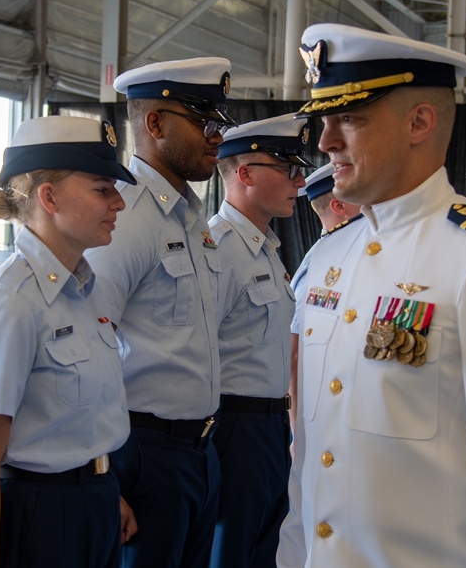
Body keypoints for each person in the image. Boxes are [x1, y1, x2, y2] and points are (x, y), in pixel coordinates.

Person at [277, 23, 466, 567]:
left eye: (349, 118)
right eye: (325, 120)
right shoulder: (327, 260)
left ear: (420, 122)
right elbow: (314, 465)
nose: (325, 142)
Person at [0, 115, 137, 568]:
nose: (118, 203)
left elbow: (76, 417)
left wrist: (99, 489)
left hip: (91, 503)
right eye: (102, 188)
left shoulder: (84, 287)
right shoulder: (11, 301)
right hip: (36, 515)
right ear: (49, 197)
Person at [83, 57, 237, 568]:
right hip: (142, 453)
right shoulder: (125, 217)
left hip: (197, 449)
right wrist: (101, 474)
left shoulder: (190, 215)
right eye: (204, 122)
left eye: (219, 122)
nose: (217, 135)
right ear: (155, 124)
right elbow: (85, 350)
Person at [206, 113, 313, 568]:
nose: (300, 180)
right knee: (230, 551)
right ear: (245, 174)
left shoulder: (267, 248)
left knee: (266, 552)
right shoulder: (217, 249)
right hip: (232, 425)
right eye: (288, 169)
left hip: (268, 425)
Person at [288, 163, 361, 432]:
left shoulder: (353, 252)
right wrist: (297, 433)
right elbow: (295, 353)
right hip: (327, 419)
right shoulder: (321, 263)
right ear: (340, 206)